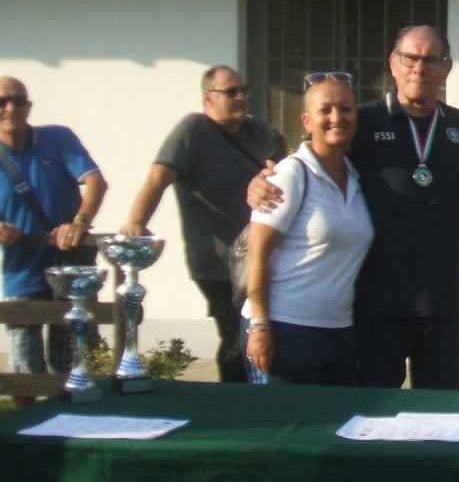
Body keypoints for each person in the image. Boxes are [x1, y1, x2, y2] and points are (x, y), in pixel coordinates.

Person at [250, 26, 459, 390]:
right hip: (376, 303)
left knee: (441, 417)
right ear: (394, 63)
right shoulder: (361, 120)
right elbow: (314, 153)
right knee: (374, 416)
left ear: (447, 67)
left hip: (445, 301)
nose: (419, 68)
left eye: (431, 60)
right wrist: (262, 179)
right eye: (410, 58)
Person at [121, 65, 286, 383]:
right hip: (219, 265)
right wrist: (136, 223)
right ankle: (237, 408)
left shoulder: (260, 133)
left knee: (268, 337)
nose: (240, 97)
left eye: (244, 91)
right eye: (231, 92)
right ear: (208, 98)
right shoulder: (193, 130)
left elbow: (280, 166)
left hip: (264, 259)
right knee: (237, 341)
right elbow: (158, 178)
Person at [242, 72, 373, 386]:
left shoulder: (358, 177)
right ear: (306, 120)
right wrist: (260, 326)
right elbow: (257, 252)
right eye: (325, 110)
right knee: (282, 430)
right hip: (285, 329)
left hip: (339, 331)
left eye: (345, 109)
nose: (336, 117)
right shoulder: (291, 173)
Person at [0, 76, 107, 407]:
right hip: (21, 272)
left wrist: (80, 223)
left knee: (72, 366)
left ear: (29, 106)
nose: (10, 108)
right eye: (1, 101)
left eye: (17, 100)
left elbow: (96, 182)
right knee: (24, 371)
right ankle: (26, 442)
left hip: (70, 267)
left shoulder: (57, 138)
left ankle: (75, 434)